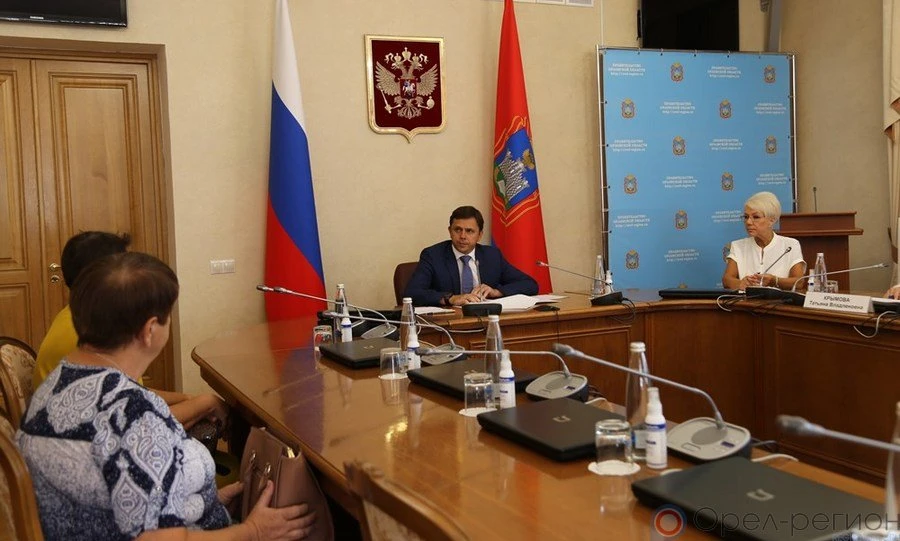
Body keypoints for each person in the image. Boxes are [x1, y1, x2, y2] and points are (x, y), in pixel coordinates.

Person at [17, 252, 315, 540]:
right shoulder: (134, 415)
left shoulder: (57, 382)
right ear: (150, 330)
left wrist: (203, 504)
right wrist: (253, 532)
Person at [34, 231, 227, 430]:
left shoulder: (81, 319)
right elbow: (135, 422)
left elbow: (132, 394)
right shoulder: (84, 335)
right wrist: (204, 403)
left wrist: (186, 399)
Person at [404, 205, 538, 306]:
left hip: (486, 318)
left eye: (469, 231)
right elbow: (411, 293)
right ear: (450, 231)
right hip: (450, 323)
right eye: (457, 230)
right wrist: (450, 298)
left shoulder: (492, 256)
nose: (462, 236)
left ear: (479, 235)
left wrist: (497, 292)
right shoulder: (433, 256)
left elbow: (530, 284)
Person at [722, 191, 806, 291]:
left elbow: (799, 282)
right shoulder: (738, 246)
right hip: (746, 300)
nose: (748, 222)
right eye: (746, 217)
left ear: (772, 220)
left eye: (756, 217)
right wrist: (741, 283)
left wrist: (774, 281)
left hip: (779, 300)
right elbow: (726, 280)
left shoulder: (790, 245)